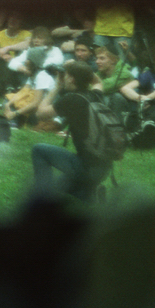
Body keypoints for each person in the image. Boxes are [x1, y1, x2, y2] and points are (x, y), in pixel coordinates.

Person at [31, 61, 112, 202]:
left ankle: (43, 198)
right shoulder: (96, 95)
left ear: (72, 79)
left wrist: (57, 87)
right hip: (104, 167)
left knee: (38, 150)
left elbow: (40, 113)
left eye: (66, 75)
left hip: (86, 167)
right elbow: (97, 81)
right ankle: (91, 194)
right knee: (59, 186)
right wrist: (82, 70)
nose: (64, 78)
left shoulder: (72, 99)